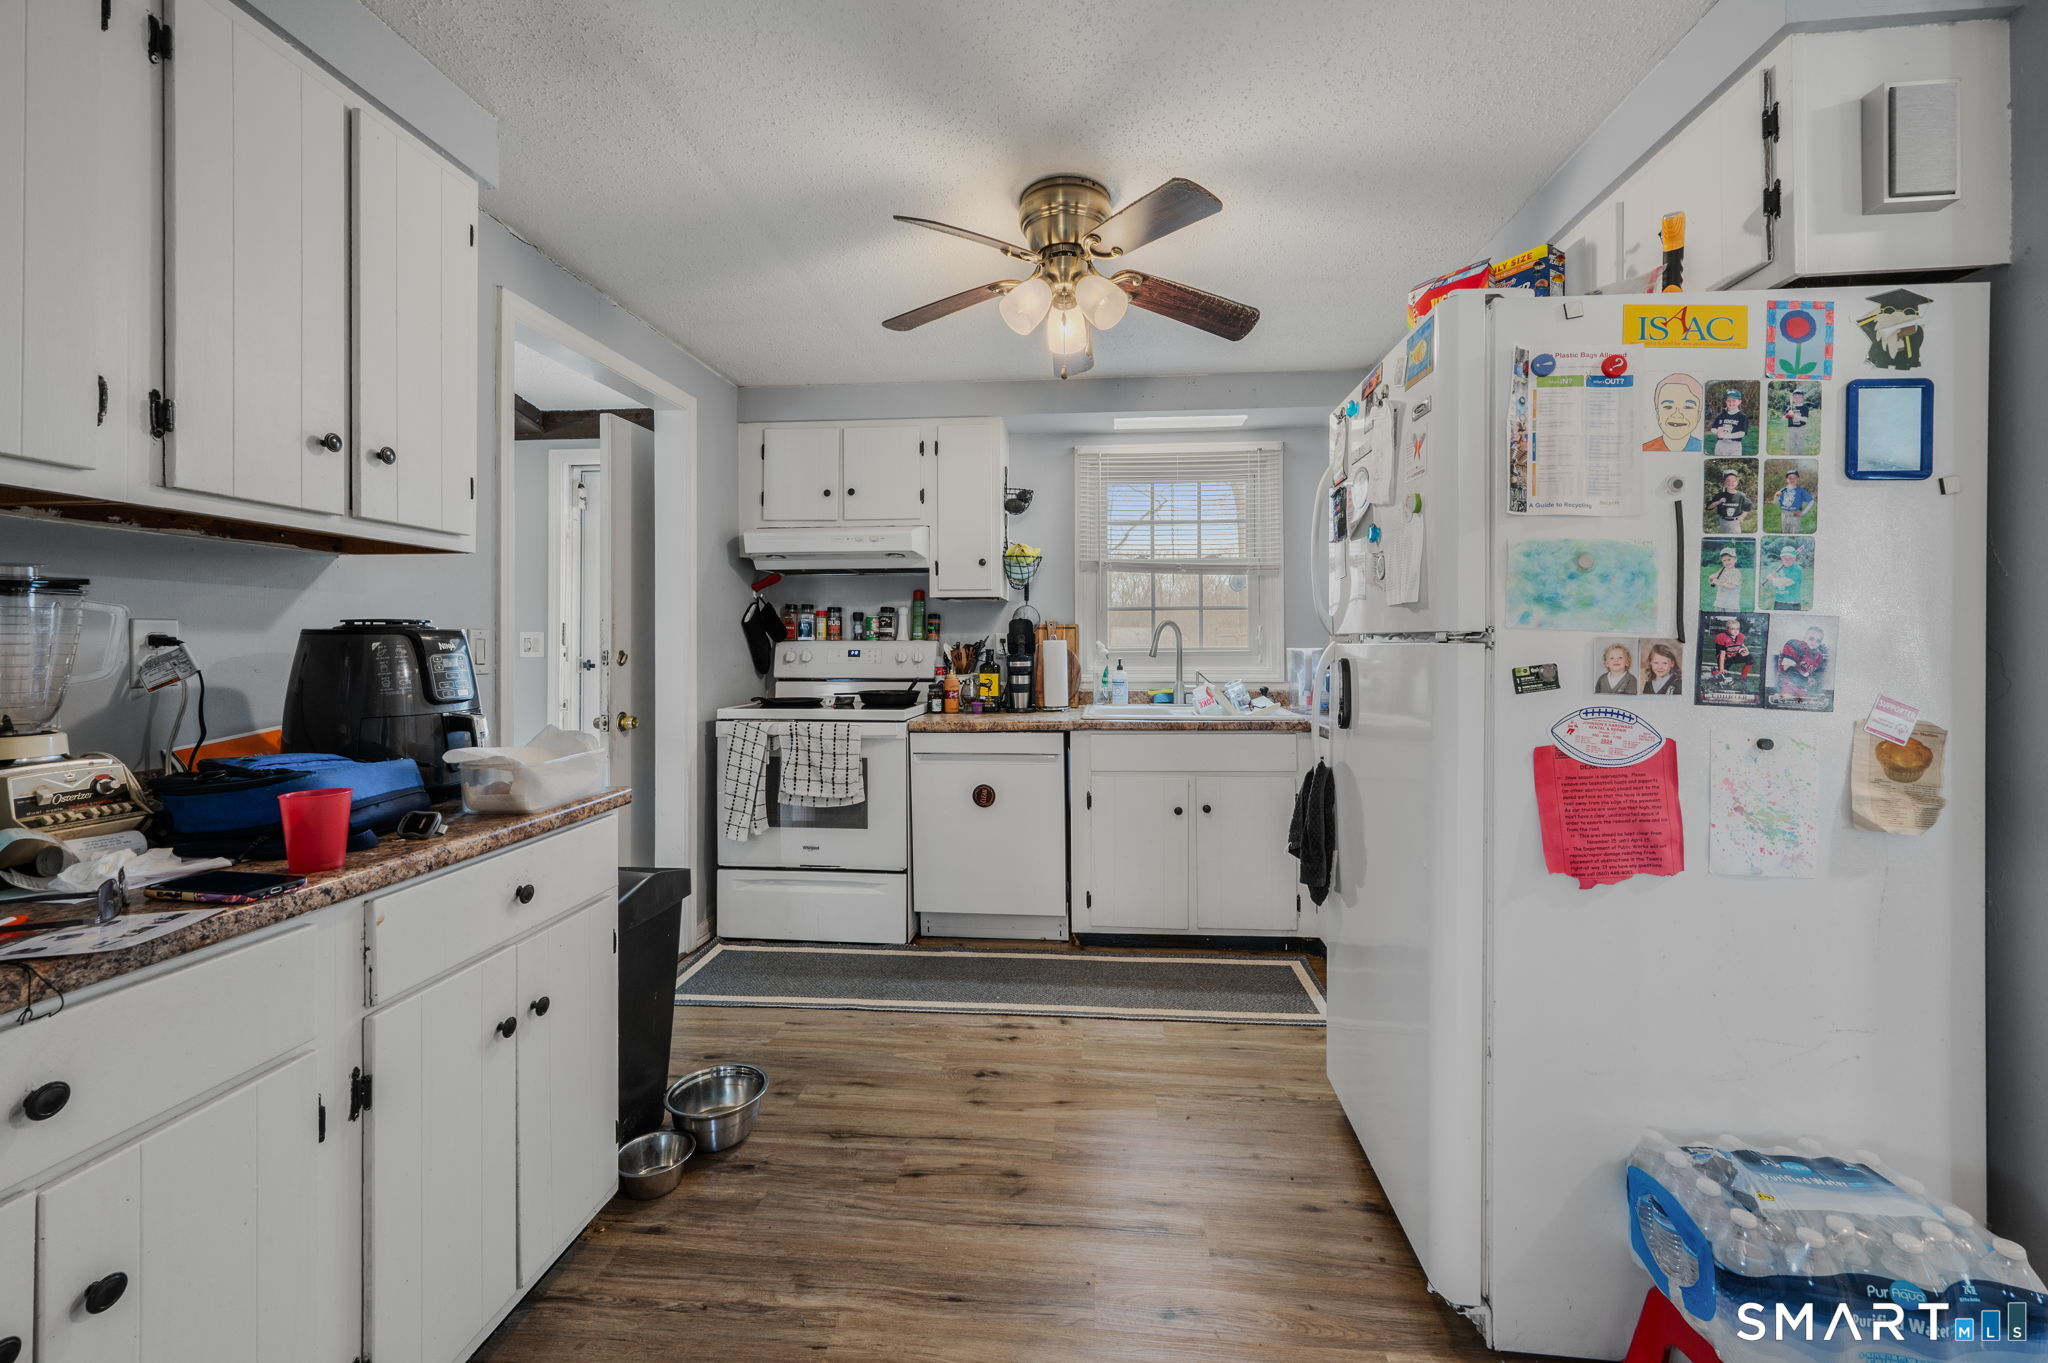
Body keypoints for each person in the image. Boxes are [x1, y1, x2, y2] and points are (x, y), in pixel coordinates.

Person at [1643, 374, 1704, 452]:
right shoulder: (1646, 448)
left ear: (1698, 415)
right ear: (1658, 413)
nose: (1677, 415)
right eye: (1668, 407)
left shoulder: (1702, 448)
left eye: (1688, 407)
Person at [1776, 626, 1828, 697]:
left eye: (1818, 641)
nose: (1814, 642)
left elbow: (1818, 675)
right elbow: (1787, 668)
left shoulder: (1818, 657)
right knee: (1787, 698)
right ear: (1804, 638)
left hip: (1802, 687)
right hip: (1787, 684)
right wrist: (1806, 680)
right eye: (1811, 638)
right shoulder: (1795, 645)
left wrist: (1813, 680)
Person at [1709, 387, 1751, 457]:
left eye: (1734, 400)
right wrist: (1717, 432)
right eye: (1729, 401)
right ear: (1726, 402)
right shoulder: (1721, 415)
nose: (1731, 403)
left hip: (1734, 445)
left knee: (1733, 461)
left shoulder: (1742, 417)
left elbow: (1742, 433)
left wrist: (1727, 436)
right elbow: (1713, 428)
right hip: (1720, 444)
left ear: (1739, 401)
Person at [1708, 470, 1753, 534]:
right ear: (1724, 482)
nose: (1730, 483)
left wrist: (1742, 516)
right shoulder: (1719, 495)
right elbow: (1708, 507)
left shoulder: (1741, 496)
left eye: (1733, 481)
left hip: (1735, 523)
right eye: (1728, 480)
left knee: (1734, 538)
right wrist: (1719, 501)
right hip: (1722, 522)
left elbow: (1749, 505)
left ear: (1737, 482)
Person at [1764, 543, 1805, 610]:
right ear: (1781, 558)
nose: (1787, 560)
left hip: (1792, 603)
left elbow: (1786, 582)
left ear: (1794, 558)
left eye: (1790, 558)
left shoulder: (1797, 569)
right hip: (1778, 602)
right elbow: (1777, 586)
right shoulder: (1780, 568)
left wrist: (1772, 579)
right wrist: (1774, 577)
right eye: (1784, 558)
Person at [1783, 386, 1812, 455]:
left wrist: (1794, 415)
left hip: (1801, 428)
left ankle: (1801, 456)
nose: (1797, 398)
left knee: (1800, 443)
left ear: (1803, 398)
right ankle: (1792, 456)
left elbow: (1805, 419)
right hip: (1791, 428)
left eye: (1799, 397)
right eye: (1795, 397)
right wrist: (1788, 414)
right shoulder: (1790, 407)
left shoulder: (1805, 408)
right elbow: (1784, 417)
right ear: (1793, 398)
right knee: (1791, 443)